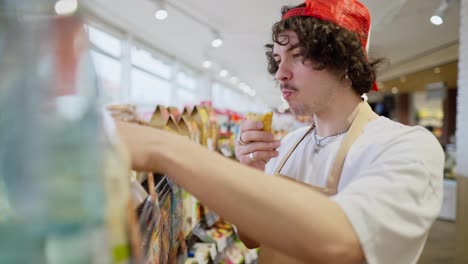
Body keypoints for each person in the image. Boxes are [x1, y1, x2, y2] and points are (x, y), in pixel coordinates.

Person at [116, 0, 444, 263]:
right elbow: (251, 237)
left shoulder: (407, 147)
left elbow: (344, 241)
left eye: (298, 56)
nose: (281, 73)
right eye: (277, 58)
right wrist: (252, 173)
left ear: (343, 61)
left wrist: (166, 148)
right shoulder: (287, 145)